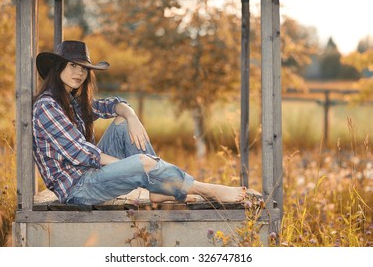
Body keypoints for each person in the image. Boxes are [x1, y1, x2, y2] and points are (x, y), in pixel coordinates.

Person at [32, 40, 248, 206]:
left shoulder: (72, 101)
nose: (80, 72)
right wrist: (137, 165)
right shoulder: (47, 106)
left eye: (84, 68)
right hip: (77, 190)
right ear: (58, 67)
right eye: (73, 65)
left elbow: (111, 105)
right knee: (144, 163)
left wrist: (131, 115)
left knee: (123, 124)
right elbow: (81, 152)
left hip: (88, 173)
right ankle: (207, 190)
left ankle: (157, 189)